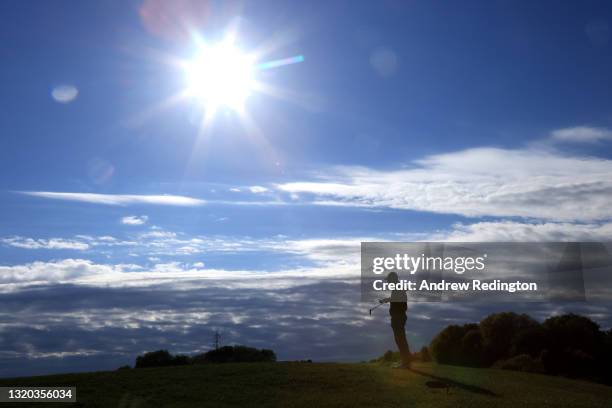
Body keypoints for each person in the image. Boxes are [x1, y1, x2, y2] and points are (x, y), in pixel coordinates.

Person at [379, 271, 411, 369]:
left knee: (400, 339)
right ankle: (405, 361)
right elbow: (395, 298)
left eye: (389, 280)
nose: (388, 282)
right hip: (398, 317)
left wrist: (387, 300)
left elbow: (397, 298)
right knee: (400, 339)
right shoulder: (397, 288)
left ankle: (406, 363)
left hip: (398, 317)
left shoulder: (398, 288)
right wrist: (386, 300)